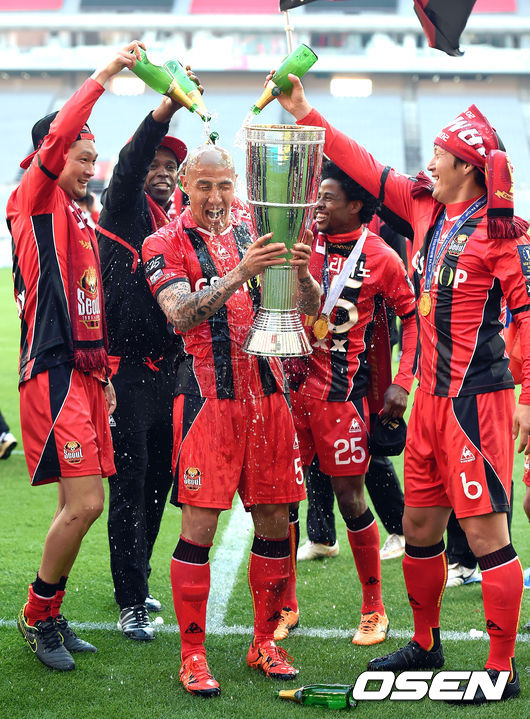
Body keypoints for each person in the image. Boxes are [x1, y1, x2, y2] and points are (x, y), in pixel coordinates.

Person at [278, 75, 529, 703]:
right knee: (418, 525)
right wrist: (305, 112)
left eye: (440, 157)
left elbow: (528, 317)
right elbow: (363, 163)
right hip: (429, 407)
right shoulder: (424, 208)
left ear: (467, 168)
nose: (429, 166)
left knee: (486, 535)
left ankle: (501, 668)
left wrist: (527, 398)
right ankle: (425, 643)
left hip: (477, 403)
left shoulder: (504, 233)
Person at [142, 144, 319, 697]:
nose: (216, 197)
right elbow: (179, 314)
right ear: (185, 186)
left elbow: (307, 307)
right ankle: (192, 654)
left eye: (224, 186)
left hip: (269, 397)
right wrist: (243, 272)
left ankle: (265, 640)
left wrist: (301, 272)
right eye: (205, 186)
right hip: (208, 403)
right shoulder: (163, 243)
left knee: (274, 522)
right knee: (199, 529)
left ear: (236, 185)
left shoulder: (254, 228)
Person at [6, 42, 142, 671]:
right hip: (53, 371)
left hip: (85, 375)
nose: (91, 167)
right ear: (52, 155)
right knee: (86, 504)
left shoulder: (79, 215)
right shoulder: (33, 199)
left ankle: (50, 613)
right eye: (82, 157)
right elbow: (61, 134)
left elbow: (92, 305)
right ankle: (37, 615)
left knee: (79, 504)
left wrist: (105, 374)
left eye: (93, 157)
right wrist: (107, 73)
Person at [277, 160, 417, 646]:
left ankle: (374, 609)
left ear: (356, 205)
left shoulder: (380, 255)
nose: (318, 204)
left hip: (340, 396)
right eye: (317, 195)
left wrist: (403, 380)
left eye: (328, 198)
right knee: (283, 498)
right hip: (288, 390)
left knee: (351, 497)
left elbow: (412, 317)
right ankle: (286, 604)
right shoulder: (301, 238)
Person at [97, 94, 188, 640]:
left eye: (170, 165)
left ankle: (138, 577)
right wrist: (165, 112)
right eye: (155, 163)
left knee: (159, 480)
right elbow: (130, 165)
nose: (162, 172)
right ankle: (130, 599)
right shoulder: (123, 208)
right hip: (126, 373)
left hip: (169, 372)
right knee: (130, 484)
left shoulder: (176, 222)